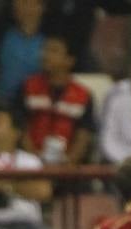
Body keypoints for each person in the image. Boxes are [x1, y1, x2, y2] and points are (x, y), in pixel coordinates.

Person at [21, 36, 96, 167]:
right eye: (45, 49)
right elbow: (21, 129)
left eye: (54, 51)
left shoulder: (83, 95)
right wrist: (34, 159)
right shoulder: (28, 87)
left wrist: (68, 163)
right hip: (31, 164)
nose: (45, 55)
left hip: (67, 167)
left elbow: (84, 134)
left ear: (70, 60)